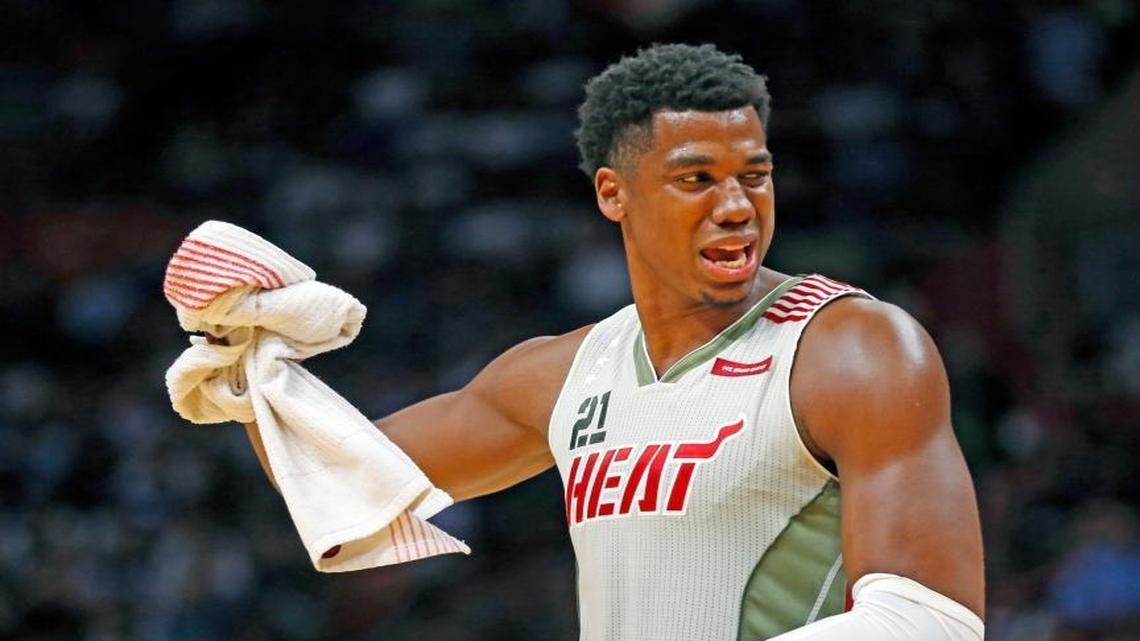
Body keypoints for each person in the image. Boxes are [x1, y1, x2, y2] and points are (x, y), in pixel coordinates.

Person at [239, 43, 985, 640]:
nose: (736, 206)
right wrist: (244, 365)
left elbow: (932, 618)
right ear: (613, 192)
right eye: (696, 178)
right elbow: (341, 475)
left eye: (753, 176)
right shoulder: (561, 373)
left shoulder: (852, 346)